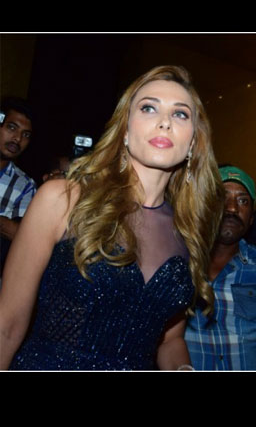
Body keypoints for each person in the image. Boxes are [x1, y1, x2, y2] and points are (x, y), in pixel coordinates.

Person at [0, 65, 223, 370]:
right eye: (149, 108)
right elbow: (7, 324)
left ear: (193, 142)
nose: (165, 122)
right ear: (125, 130)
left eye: (180, 114)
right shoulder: (63, 199)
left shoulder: (188, 231)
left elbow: (170, 341)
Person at [185, 166, 256, 370]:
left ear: (252, 218)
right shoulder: (179, 262)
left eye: (243, 201)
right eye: (221, 198)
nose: (231, 209)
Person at [0, 97, 35, 280]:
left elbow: (19, 235)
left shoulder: (25, 184)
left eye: (26, 134)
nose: (18, 139)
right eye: (12, 127)